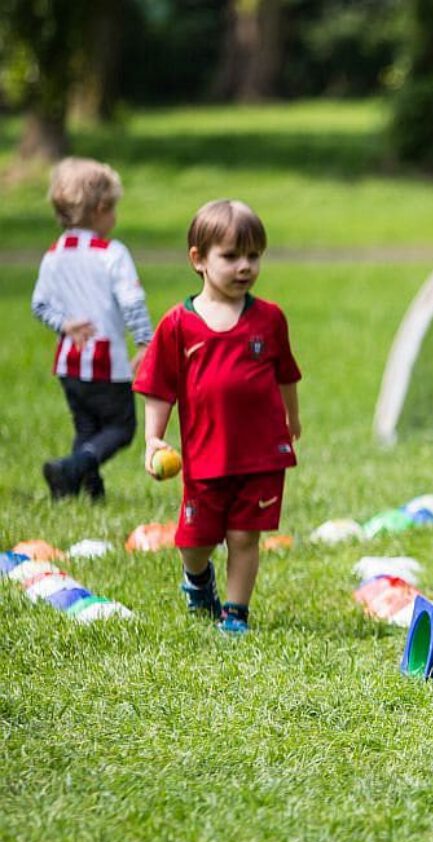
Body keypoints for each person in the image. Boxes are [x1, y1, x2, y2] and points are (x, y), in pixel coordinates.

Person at [134, 200, 302, 635]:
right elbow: (159, 387)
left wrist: (292, 419)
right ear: (199, 259)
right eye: (231, 256)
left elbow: (286, 375)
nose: (245, 266)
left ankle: (235, 613)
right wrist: (154, 439)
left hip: (262, 453)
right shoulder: (178, 324)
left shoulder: (269, 319)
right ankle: (197, 577)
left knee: (245, 536)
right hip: (207, 456)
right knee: (195, 542)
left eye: (254, 256)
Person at [32, 157, 154, 501]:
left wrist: (64, 325)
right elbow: (132, 301)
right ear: (101, 208)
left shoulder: (53, 254)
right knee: (121, 427)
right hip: (105, 360)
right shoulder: (111, 253)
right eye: (113, 208)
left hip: (68, 362)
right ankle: (73, 468)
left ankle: (79, 489)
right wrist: (145, 341)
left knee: (86, 427)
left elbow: (39, 304)